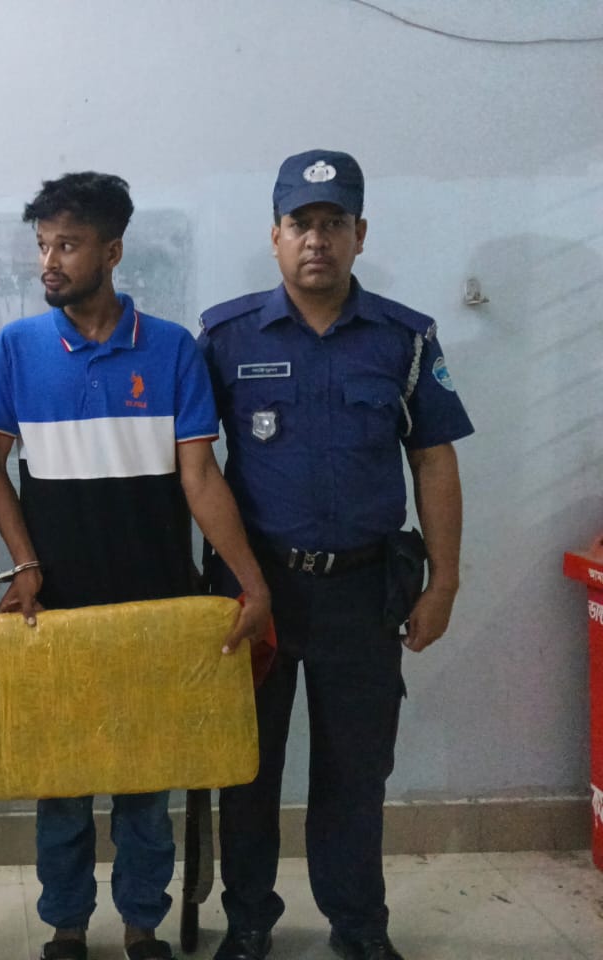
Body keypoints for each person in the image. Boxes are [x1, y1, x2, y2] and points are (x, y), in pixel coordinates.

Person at [0, 172, 271, 960]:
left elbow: (200, 477)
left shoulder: (172, 349)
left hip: (156, 605)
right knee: (63, 784)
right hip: (58, 609)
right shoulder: (17, 348)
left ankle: (143, 924)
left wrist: (252, 580)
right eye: (43, 245)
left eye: (67, 245)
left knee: (145, 781)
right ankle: (66, 926)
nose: (49, 261)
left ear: (111, 252)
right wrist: (24, 563)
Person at [199, 150, 473, 960]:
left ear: (360, 234)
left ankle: (358, 925)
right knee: (246, 766)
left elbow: (434, 460)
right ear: (275, 235)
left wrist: (445, 582)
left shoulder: (404, 338)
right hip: (257, 591)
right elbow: (193, 464)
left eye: (333, 223)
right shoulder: (225, 337)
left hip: (363, 590)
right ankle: (249, 920)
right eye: (300, 224)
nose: (316, 239)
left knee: (355, 771)